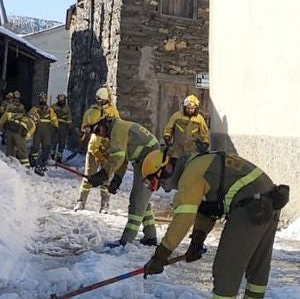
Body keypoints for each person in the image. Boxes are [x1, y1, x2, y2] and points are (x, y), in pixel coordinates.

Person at [142, 148, 288, 299]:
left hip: (251, 205)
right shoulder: (198, 163)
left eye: (156, 181)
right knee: (258, 261)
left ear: (165, 169)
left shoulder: (190, 175)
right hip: (269, 198)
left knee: (226, 266)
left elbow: (183, 219)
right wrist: (197, 240)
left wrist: (161, 256)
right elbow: (208, 206)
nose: (162, 187)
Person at [87, 108, 161, 247]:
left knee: (137, 200)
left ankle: (126, 241)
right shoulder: (118, 127)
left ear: (103, 123)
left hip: (150, 162)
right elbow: (123, 158)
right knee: (142, 199)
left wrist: (103, 174)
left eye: (97, 130)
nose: (99, 135)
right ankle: (150, 237)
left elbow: (117, 157)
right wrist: (117, 180)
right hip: (146, 161)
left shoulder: (117, 129)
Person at [162, 94, 211, 161]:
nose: (190, 110)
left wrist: (205, 143)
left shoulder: (199, 119)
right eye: (188, 108)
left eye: (192, 109)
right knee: (176, 169)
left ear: (196, 108)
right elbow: (169, 128)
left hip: (192, 151)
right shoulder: (176, 116)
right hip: (177, 151)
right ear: (184, 107)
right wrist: (167, 136)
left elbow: (204, 132)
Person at [27, 92, 59, 173]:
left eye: (44, 98)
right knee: (35, 146)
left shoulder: (50, 110)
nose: (42, 100)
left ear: (46, 99)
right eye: (41, 98)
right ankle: (32, 161)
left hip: (47, 131)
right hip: (37, 129)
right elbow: (29, 116)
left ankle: (42, 163)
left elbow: (54, 118)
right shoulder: (35, 109)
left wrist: (56, 126)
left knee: (46, 147)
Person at [0, 91, 32, 163]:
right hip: (9, 125)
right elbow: (4, 114)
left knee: (17, 144)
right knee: (10, 144)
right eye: (15, 98)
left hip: (18, 127)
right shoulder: (8, 105)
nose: (17, 100)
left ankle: (14, 157)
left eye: (18, 98)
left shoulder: (21, 106)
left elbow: (24, 115)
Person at [52, 93, 75, 158]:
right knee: (54, 141)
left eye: (63, 100)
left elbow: (69, 118)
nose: (61, 101)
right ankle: (52, 155)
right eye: (60, 99)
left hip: (63, 128)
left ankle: (59, 157)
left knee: (62, 142)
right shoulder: (53, 107)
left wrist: (70, 127)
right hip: (55, 126)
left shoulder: (67, 108)